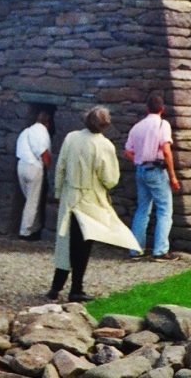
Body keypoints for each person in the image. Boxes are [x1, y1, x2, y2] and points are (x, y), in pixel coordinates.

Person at [47, 106, 140, 302]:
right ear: (105, 125)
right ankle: (75, 289)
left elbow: (60, 166)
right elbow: (110, 179)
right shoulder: (104, 146)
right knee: (83, 245)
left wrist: (58, 192)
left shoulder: (71, 138)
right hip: (90, 200)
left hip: (70, 196)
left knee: (65, 243)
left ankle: (56, 288)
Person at [124, 93, 181, 262]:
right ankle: (161, 251)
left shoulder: (137, 126)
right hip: (156, 170)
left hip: (141, 171)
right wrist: (173, 177)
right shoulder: (163, 124)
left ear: (147, 108)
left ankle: (136, 250)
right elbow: (166, 150)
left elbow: (128, 151)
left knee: (142, 209)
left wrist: (140, 159)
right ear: (162, 109)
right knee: (164, 210)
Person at [16, 110, 53, 240]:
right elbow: (43, 152)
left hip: (21, 165)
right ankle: (25, 232)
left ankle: (35, 228)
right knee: (33, 202)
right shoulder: (41, 131)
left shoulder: (26, 131)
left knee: (30, 200)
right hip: (34, 166)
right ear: (47, 123)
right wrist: (49, 169)